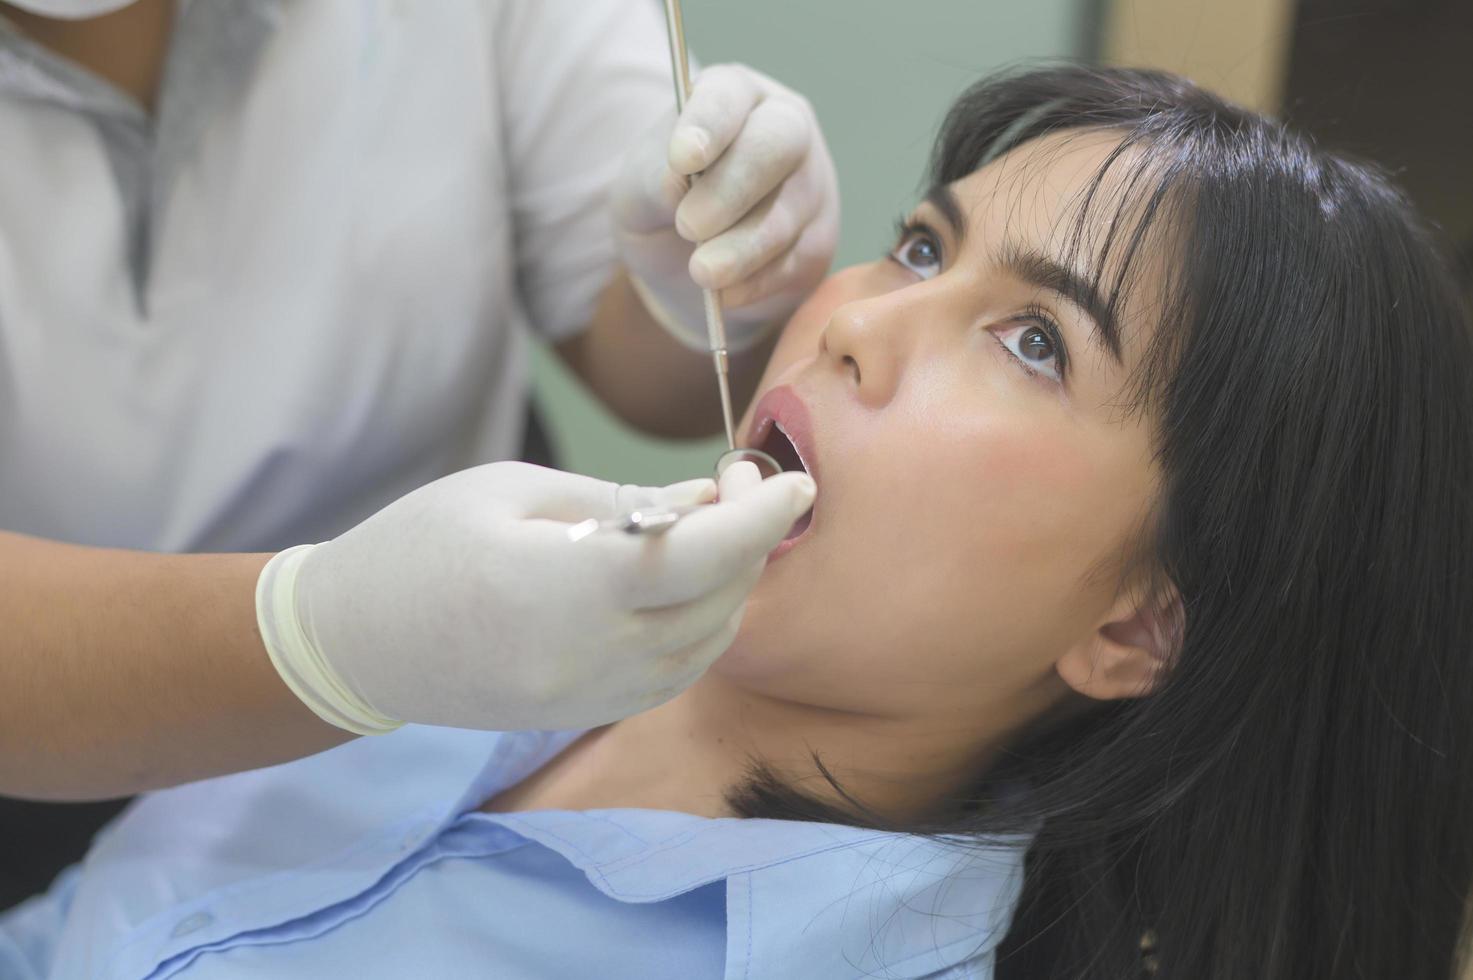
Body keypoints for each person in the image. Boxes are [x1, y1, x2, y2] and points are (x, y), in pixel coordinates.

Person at [5, 63, 1471, 979]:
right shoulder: (458, 624)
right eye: (917, 245)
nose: (850, 324)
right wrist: (326, 637)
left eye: (1033, 342)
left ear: (1138, 622)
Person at [0, 0, 836, 807]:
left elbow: (657, 374)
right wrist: (327, 637)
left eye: (920, 253)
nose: (859, 325)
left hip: (484, 701)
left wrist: (716, 284)